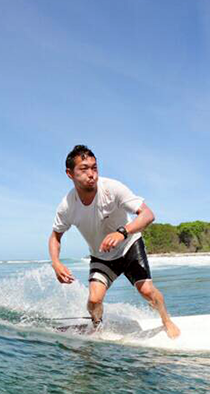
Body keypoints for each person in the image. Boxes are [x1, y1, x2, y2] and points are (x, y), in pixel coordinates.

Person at [48, 145, 181, 339]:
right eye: (84, 169)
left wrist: (122, 232)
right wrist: (56, 262)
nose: (91, 174)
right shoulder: (67, 206)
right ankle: (96, 326)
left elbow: (148, 214)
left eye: (94, 168)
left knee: (147, 291)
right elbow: (55, 236)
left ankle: (166, 320)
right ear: (70, 173)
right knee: (94, 300)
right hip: (101, 256)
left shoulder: (112, 188)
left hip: (129, 247)